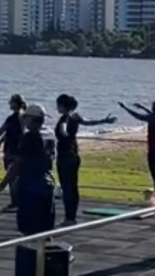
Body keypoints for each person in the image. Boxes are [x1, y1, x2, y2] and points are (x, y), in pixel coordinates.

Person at [54, 94, 116, 226]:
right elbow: (89, 122)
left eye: (58, 105)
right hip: (74, 154)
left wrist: (63, 131)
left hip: (65, 156)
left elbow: (64, 126)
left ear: (63, 106)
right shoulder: (76, 116)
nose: (57, 107)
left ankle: (69, 218)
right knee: (73, 187)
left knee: (67, 187)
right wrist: (105, 121)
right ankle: (71, 217)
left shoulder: (65, 118)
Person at [0, 103, 57, 236]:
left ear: (30, 119)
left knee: (29, 226)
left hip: (30, 185)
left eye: (25, 117)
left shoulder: (29, 137)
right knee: (45, 225)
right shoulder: (49, 134)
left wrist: (3, 183)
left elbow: (18, 163)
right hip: (47, 183)